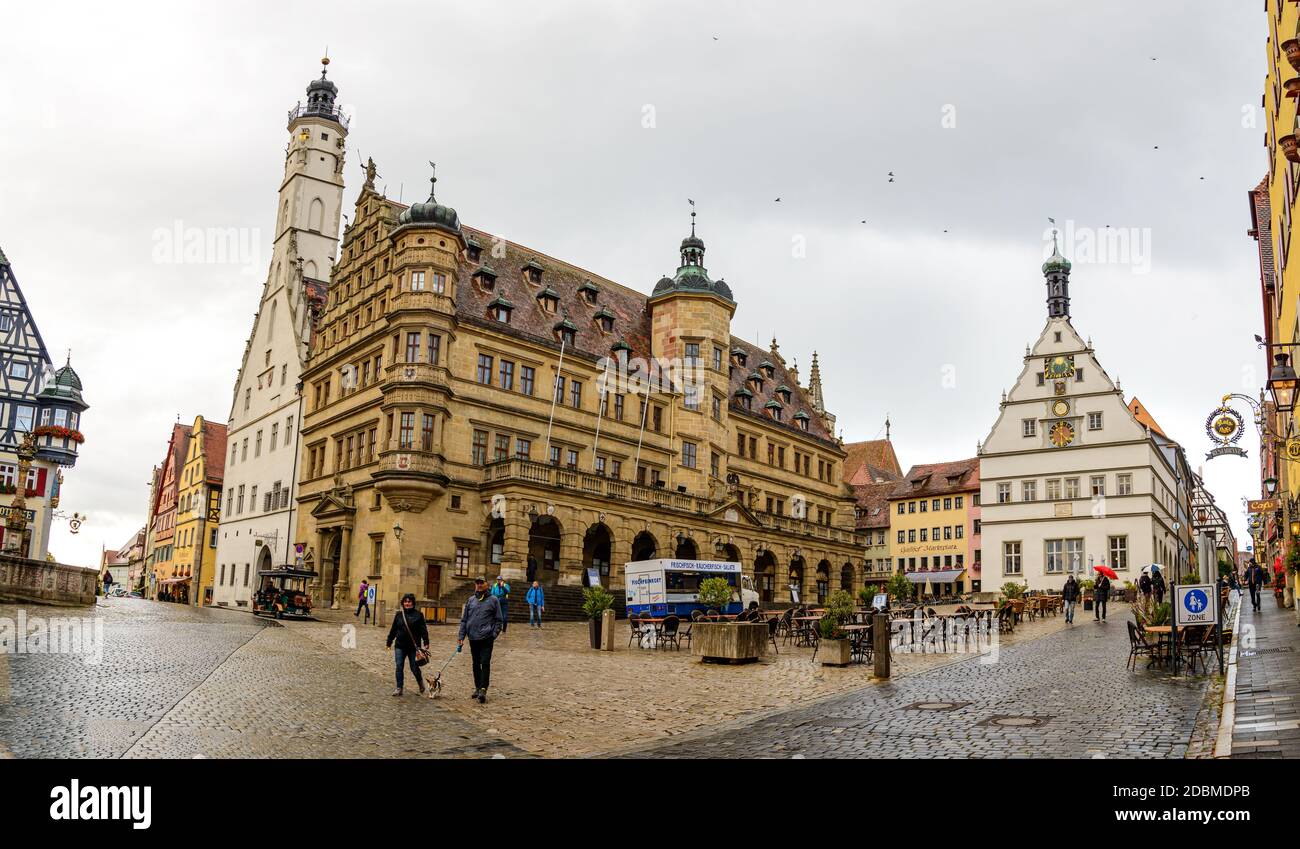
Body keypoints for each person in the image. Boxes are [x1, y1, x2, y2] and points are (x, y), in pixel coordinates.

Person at [458, 577, 503, 703]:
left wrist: (493, 634)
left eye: (481, 583)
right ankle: (477, 687)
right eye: (477, 583)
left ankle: (483, 689)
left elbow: (499, 619)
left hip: (486, 638)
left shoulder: (493, 600)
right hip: (473, 637)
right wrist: (461, 637)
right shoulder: (471, 600)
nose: (479, 585)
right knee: (475, 663)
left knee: (485, 662)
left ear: (487, 584)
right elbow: (464, 620)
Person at [385, 593, 429, 697]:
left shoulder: (419, 615)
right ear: (403, 603)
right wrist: (389, 641)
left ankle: (420, 681)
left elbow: (423, 630)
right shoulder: (399, 615)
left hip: (413, 648)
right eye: (405, 601)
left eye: (409, 601)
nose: (407, 603)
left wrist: (426, 641)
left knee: (414, 667)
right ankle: (399, 687)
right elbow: (393, 630)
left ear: (413, 603)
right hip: (400, 646)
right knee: (399, 666)